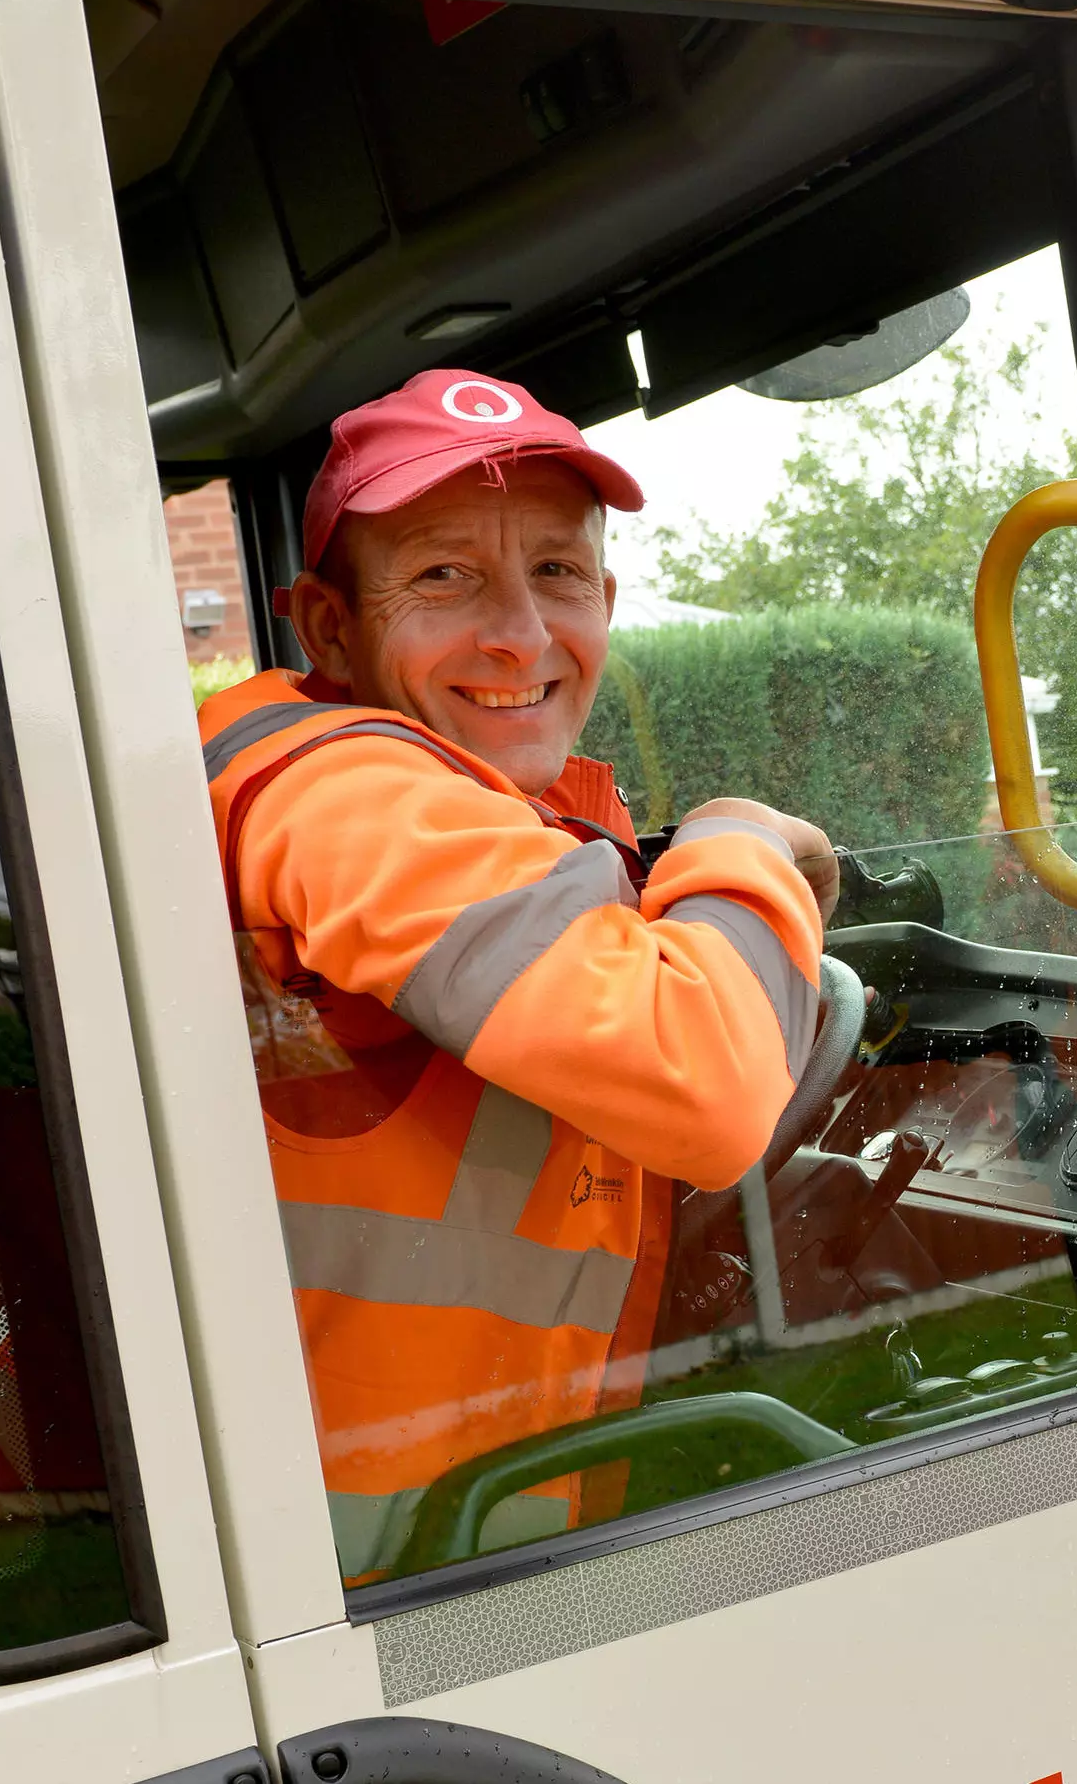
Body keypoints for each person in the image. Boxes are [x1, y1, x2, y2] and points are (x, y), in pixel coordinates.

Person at [198, 368, 839, 1576]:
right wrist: (738, 833)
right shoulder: (346, 789)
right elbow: (702, 1086)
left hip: (440, 1525)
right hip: (357, 1578)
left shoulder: (480, 810)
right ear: (328, 626)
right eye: (444, 575)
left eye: (557, 571)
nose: (521, 635)